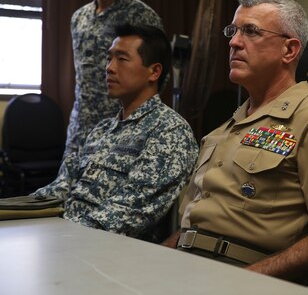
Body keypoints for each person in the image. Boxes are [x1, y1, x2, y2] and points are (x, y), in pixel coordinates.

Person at [162, 0, 308, 283]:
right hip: (186, 270)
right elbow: (191, 228)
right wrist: (155, 261)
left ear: (289, 50)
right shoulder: (221, 132)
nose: (233, 42)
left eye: (251, 31)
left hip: (248, 278)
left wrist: (246, 281)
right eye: (233, 31)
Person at [33, 24, 198, 241]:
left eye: (121, 59)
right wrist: (18, 214)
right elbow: (59, 189)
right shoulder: (101, 130)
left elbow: (129, 212)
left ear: (154, 72)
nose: (109, 68)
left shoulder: (169, 131)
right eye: (109, 58)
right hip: (64, 235)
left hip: (106, 250)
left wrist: (60, 235)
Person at [65, 0, 163, 159]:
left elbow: (156, 77)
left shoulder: (141, 15)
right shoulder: (79, 17)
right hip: (80, 127)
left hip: (121, 128)